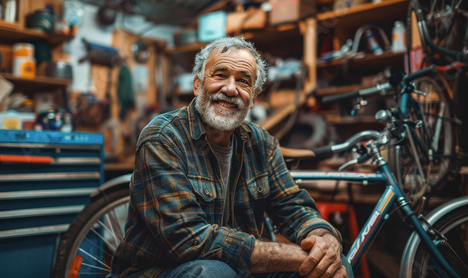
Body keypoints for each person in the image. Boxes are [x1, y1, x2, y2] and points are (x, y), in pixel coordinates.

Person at [109, 37, 352, 278]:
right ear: (197, 84)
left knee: (333, 265)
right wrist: (302, 256)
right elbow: (186, 239)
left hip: (236, 266)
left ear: (253, 98)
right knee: (215, 273)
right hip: (159, 269)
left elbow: (293, 206)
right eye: (220, 75)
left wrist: (324, 238)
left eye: (244, 81)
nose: (230, 88)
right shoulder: (163, 137)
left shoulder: (262, 143)